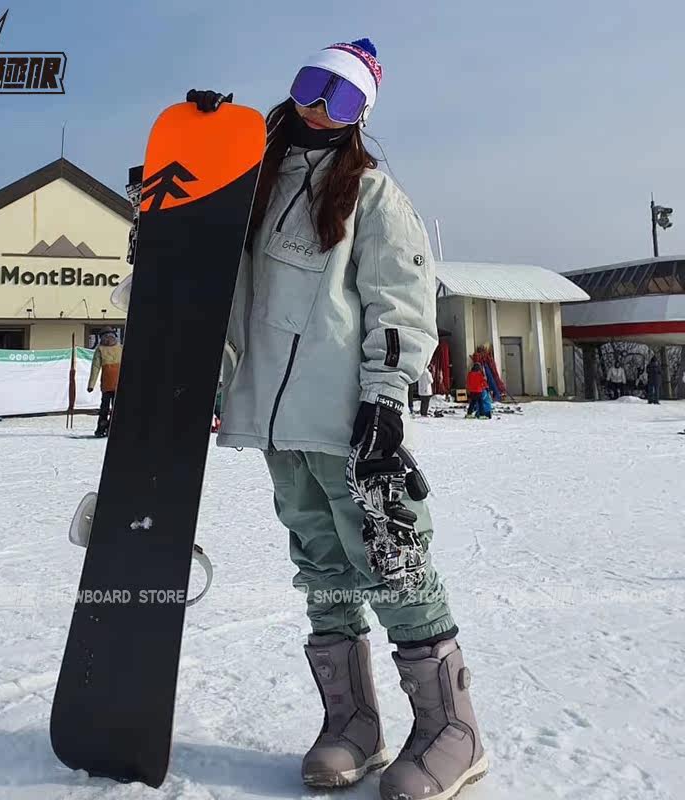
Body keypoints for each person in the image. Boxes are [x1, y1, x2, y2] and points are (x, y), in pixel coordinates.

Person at [193, 37, 487, 800]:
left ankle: (453, 730)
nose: (322, 108)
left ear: (362, 116)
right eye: (312, 87)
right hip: (274, 420)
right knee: (321, 567)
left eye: (344, 98)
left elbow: (399, 304)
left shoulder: (372, 195)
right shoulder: (252, 188)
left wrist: (385, 400)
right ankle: (352, 725)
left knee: (393, 560)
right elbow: (217, 287)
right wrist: (197, 164)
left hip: (349, 420)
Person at [87, 329, 122, 437]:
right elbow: (95, 368)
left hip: (112, 384)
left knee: (109, 408)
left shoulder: (119, 348)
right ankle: (105, 428)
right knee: (107, 408)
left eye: (110, 336)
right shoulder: (102, 349)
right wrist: (91, 385)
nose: (108, 338)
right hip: (109, 384)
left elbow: (95, 368)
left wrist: (91, 385)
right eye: (106, 336)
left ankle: (106, 428)